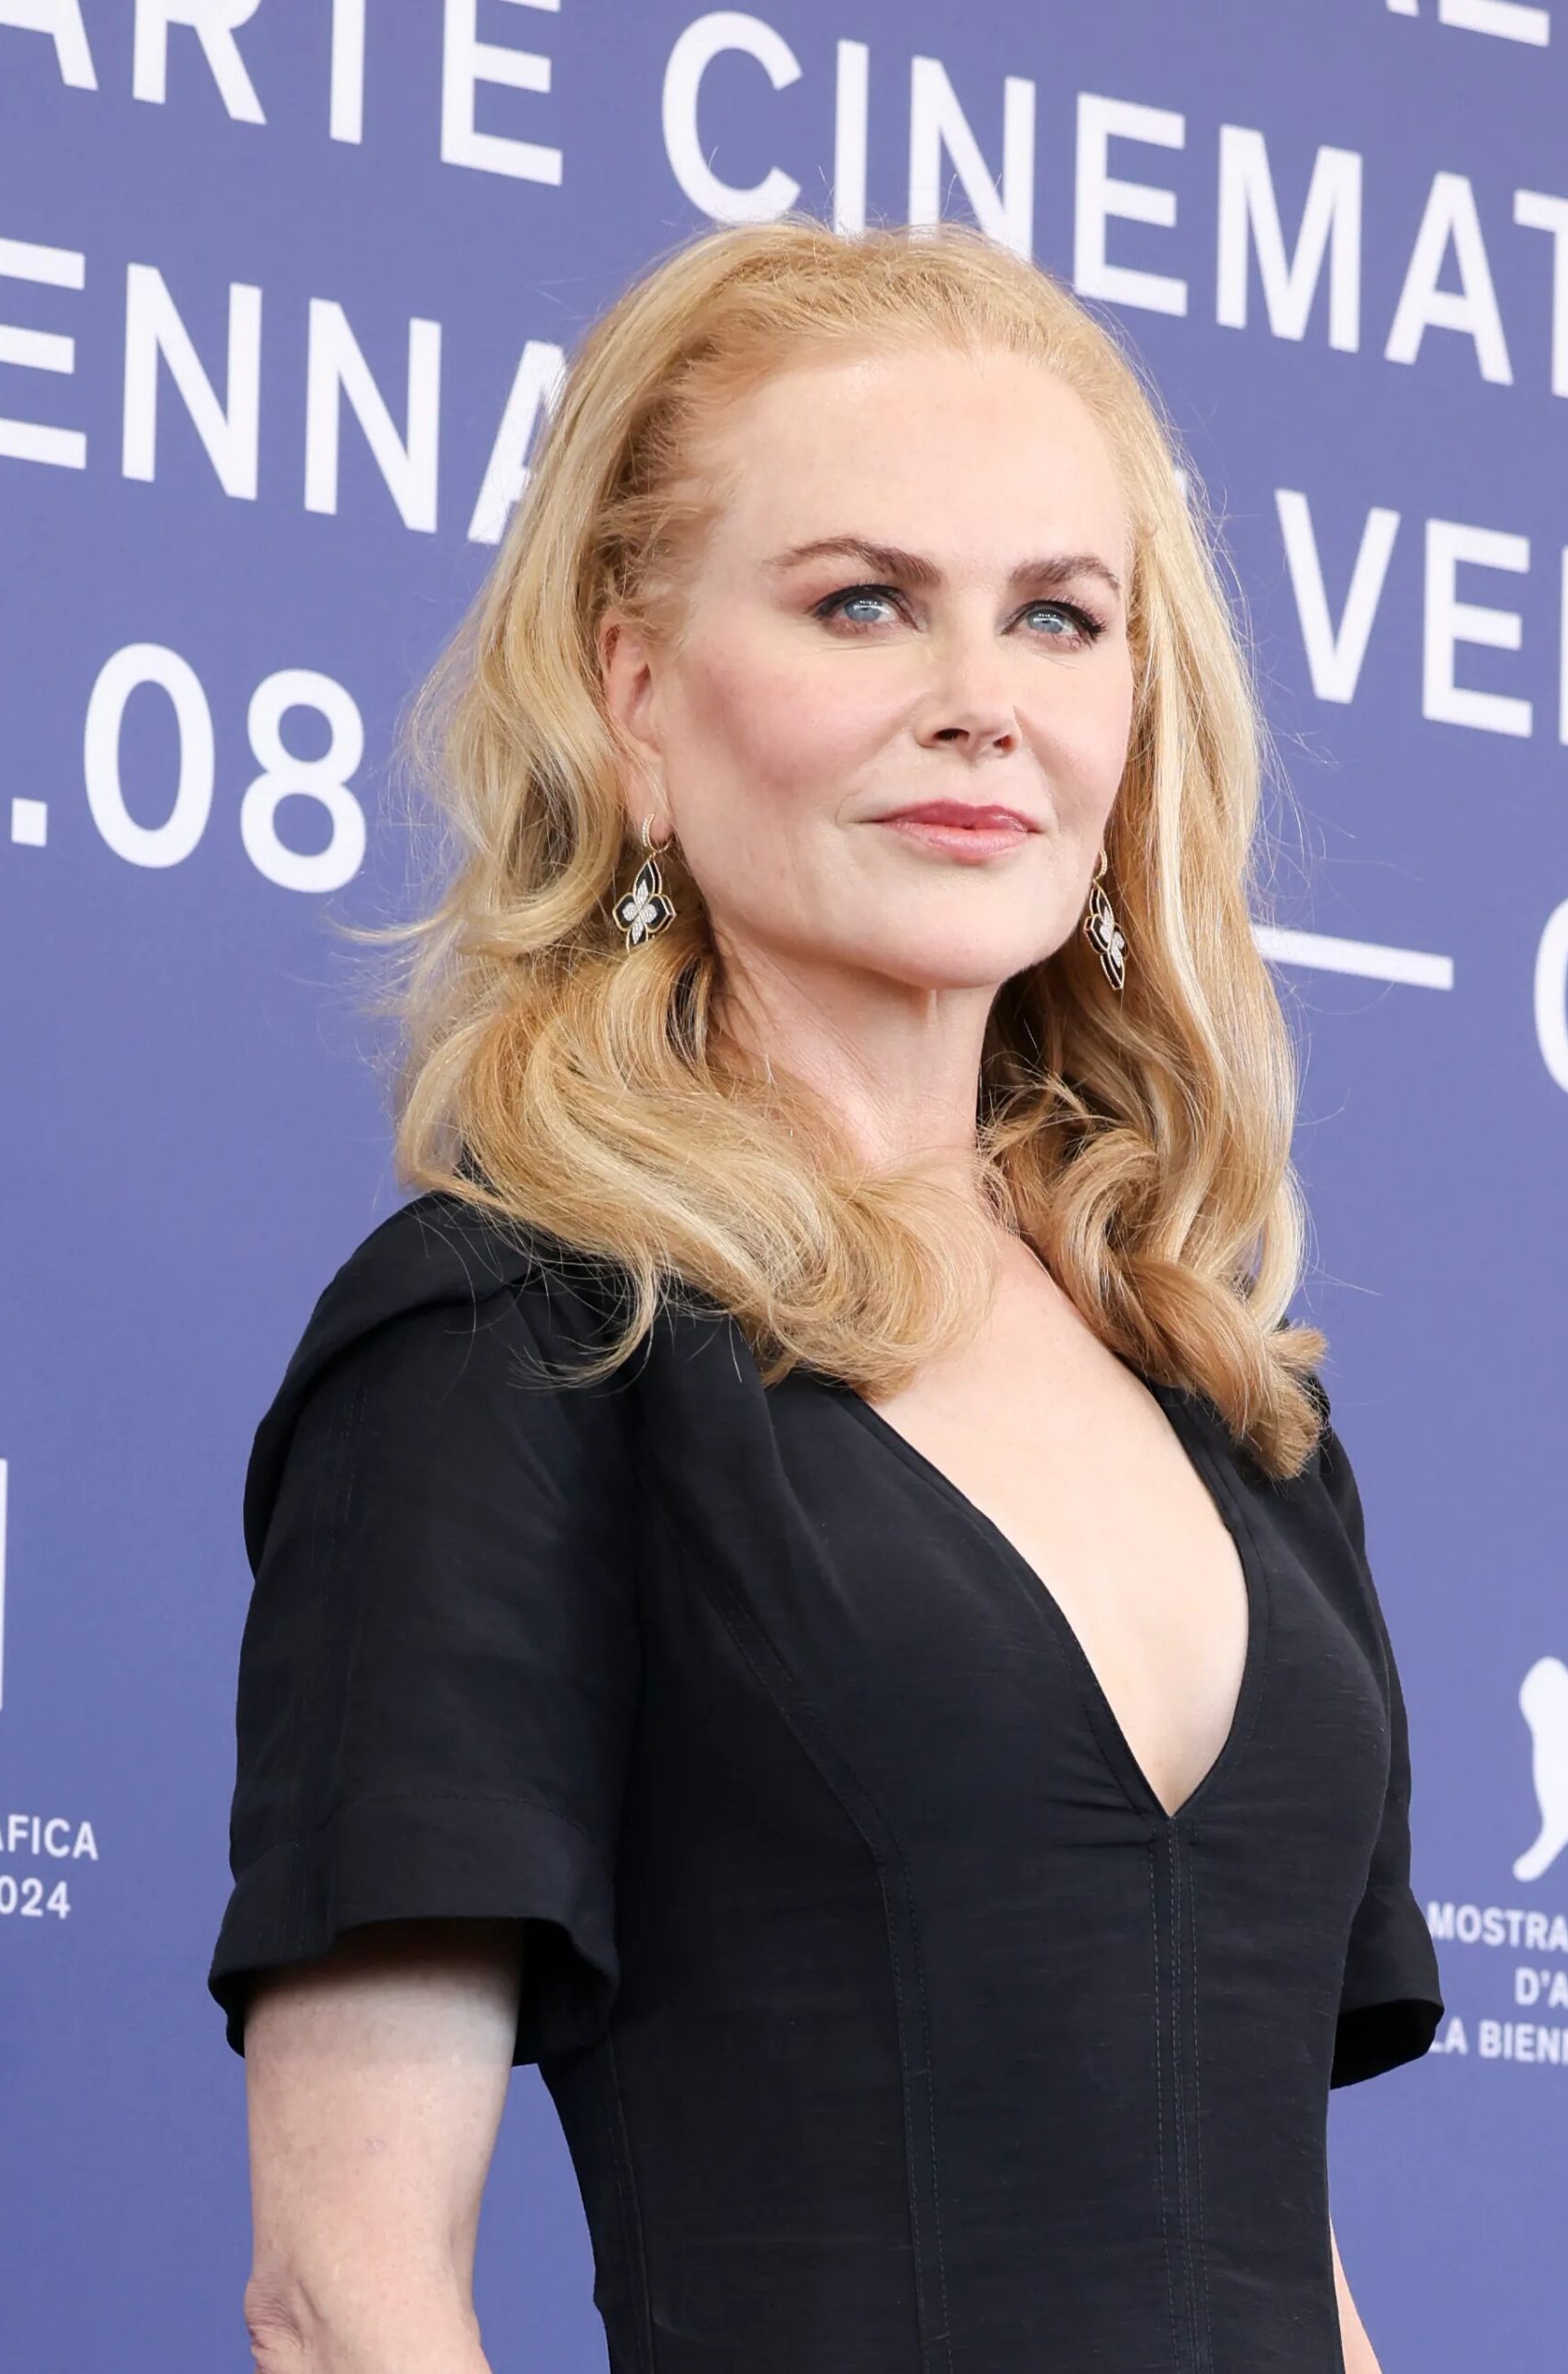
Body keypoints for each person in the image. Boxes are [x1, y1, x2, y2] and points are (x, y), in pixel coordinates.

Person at [209, 215, 1442, 2374]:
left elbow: (1282, 2260)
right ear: (635, 692)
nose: (978, 697)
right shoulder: (518, 1340)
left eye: (1056, 615)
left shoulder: (1236, 1407)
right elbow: (346, 2294)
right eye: (862, 601)